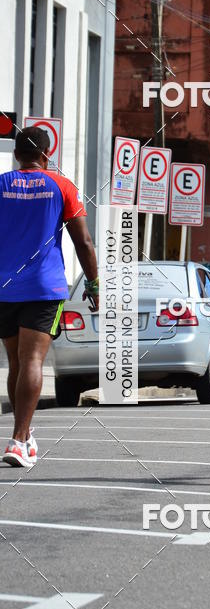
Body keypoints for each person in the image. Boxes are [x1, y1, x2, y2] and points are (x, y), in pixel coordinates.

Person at [0, 127, 99, 467]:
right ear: (46, 154)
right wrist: (95, 284)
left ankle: (23, 438)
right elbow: (83, 243)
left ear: (16, 155)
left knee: (16, 362)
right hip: (45, 288)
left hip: (4, 288)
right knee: (32, 362)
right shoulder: (62, 185)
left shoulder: (1, 185)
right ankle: (17, 439)